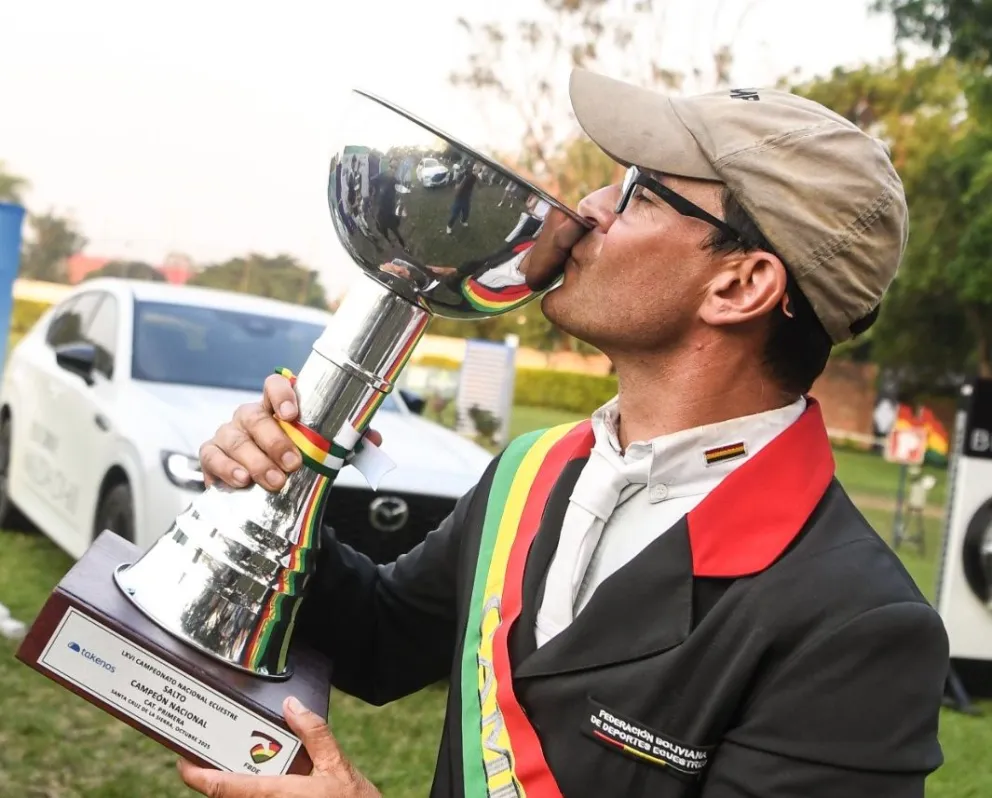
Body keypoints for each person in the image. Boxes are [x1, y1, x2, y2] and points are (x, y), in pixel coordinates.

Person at [180, 69, 949, 798]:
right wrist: (277, 490)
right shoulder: (532, 468)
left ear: (740, 285)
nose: (585, 209)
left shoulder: (860, 625)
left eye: (639, 193)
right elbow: (381, 641)